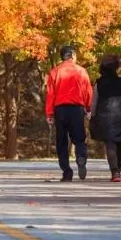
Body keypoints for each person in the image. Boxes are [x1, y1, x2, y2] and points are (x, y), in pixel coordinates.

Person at [46, 46, 92, 181]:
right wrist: (89, 109)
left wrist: (49, 114)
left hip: (60, 110)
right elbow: (88, 91)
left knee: (61, 141)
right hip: (77, 109)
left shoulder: (54, 72)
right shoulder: (82, 71)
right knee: (79, 139)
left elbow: (50, 94)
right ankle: (81, 157)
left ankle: (67, 172)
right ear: (72, 55)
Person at [91, 55, 121, 182]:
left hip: (105, 118)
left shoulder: (99, 83)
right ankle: (118, 170)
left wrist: (93, 115)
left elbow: (94, 102)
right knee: (120, 144)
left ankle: (115, 172)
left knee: (110, 144)